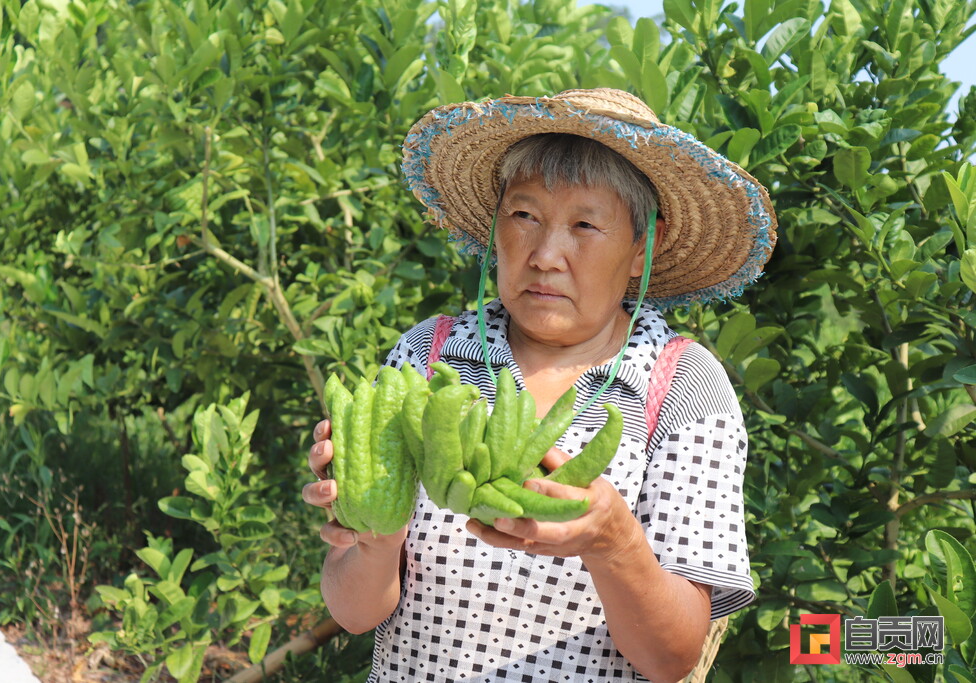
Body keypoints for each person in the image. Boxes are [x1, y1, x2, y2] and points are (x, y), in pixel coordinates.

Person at [302, 88, 777, 682]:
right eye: (524, 215)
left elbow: (672, 658)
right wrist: (374, 529)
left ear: (640, 249)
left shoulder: (682, 386)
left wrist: (614, 543)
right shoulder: (430, 355)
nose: (546, 254)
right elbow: (354, 612)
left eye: (585, 225)